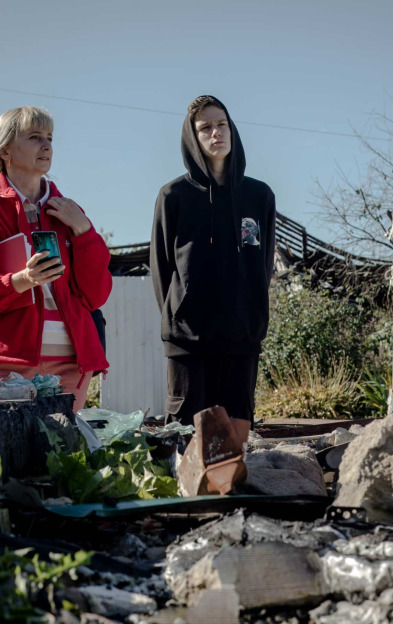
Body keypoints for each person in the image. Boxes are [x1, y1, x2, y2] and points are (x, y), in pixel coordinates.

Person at [0, 106, 111, 411]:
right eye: (35, 137)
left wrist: (85, 232)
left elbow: (95, 295)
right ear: (5, 150)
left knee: (63, 443)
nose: (46, 145)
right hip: (4, 364)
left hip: (71, 364)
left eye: (49, 137)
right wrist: (21, 280)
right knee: (9, 442)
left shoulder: (69, 211)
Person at [150, 95, 276, 444]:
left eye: (221, 124)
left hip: (242, 337)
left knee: (234, 439)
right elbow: (161, 266)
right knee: (188, 440)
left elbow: (263, 264)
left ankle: (230, 483)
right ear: (193, 138)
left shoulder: (259, 196)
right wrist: (177, 318)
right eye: (205, 127)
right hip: (188, 340)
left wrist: (253, 316)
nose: (216, 132)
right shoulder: (173, 195)